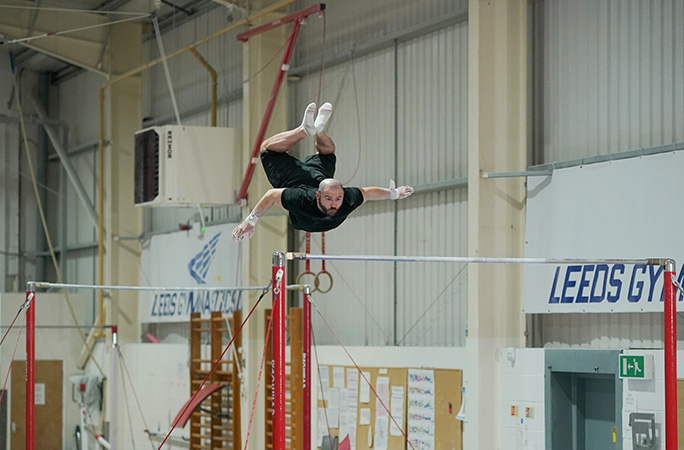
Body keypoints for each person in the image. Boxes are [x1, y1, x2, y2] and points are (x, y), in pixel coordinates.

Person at [231, 102, 414, 241]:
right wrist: (250, 221)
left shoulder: (348, 198)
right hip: (302, 182)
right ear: (317, 196)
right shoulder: (301, 197)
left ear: (343, 194)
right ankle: (311, 130)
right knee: (327, 153)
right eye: (329, 199)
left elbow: (368, 193)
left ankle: (313, 129)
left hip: (307, 180)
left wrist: (395, 193)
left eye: (337, 199)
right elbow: (270, 195)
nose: (335, 204)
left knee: (268, 150)